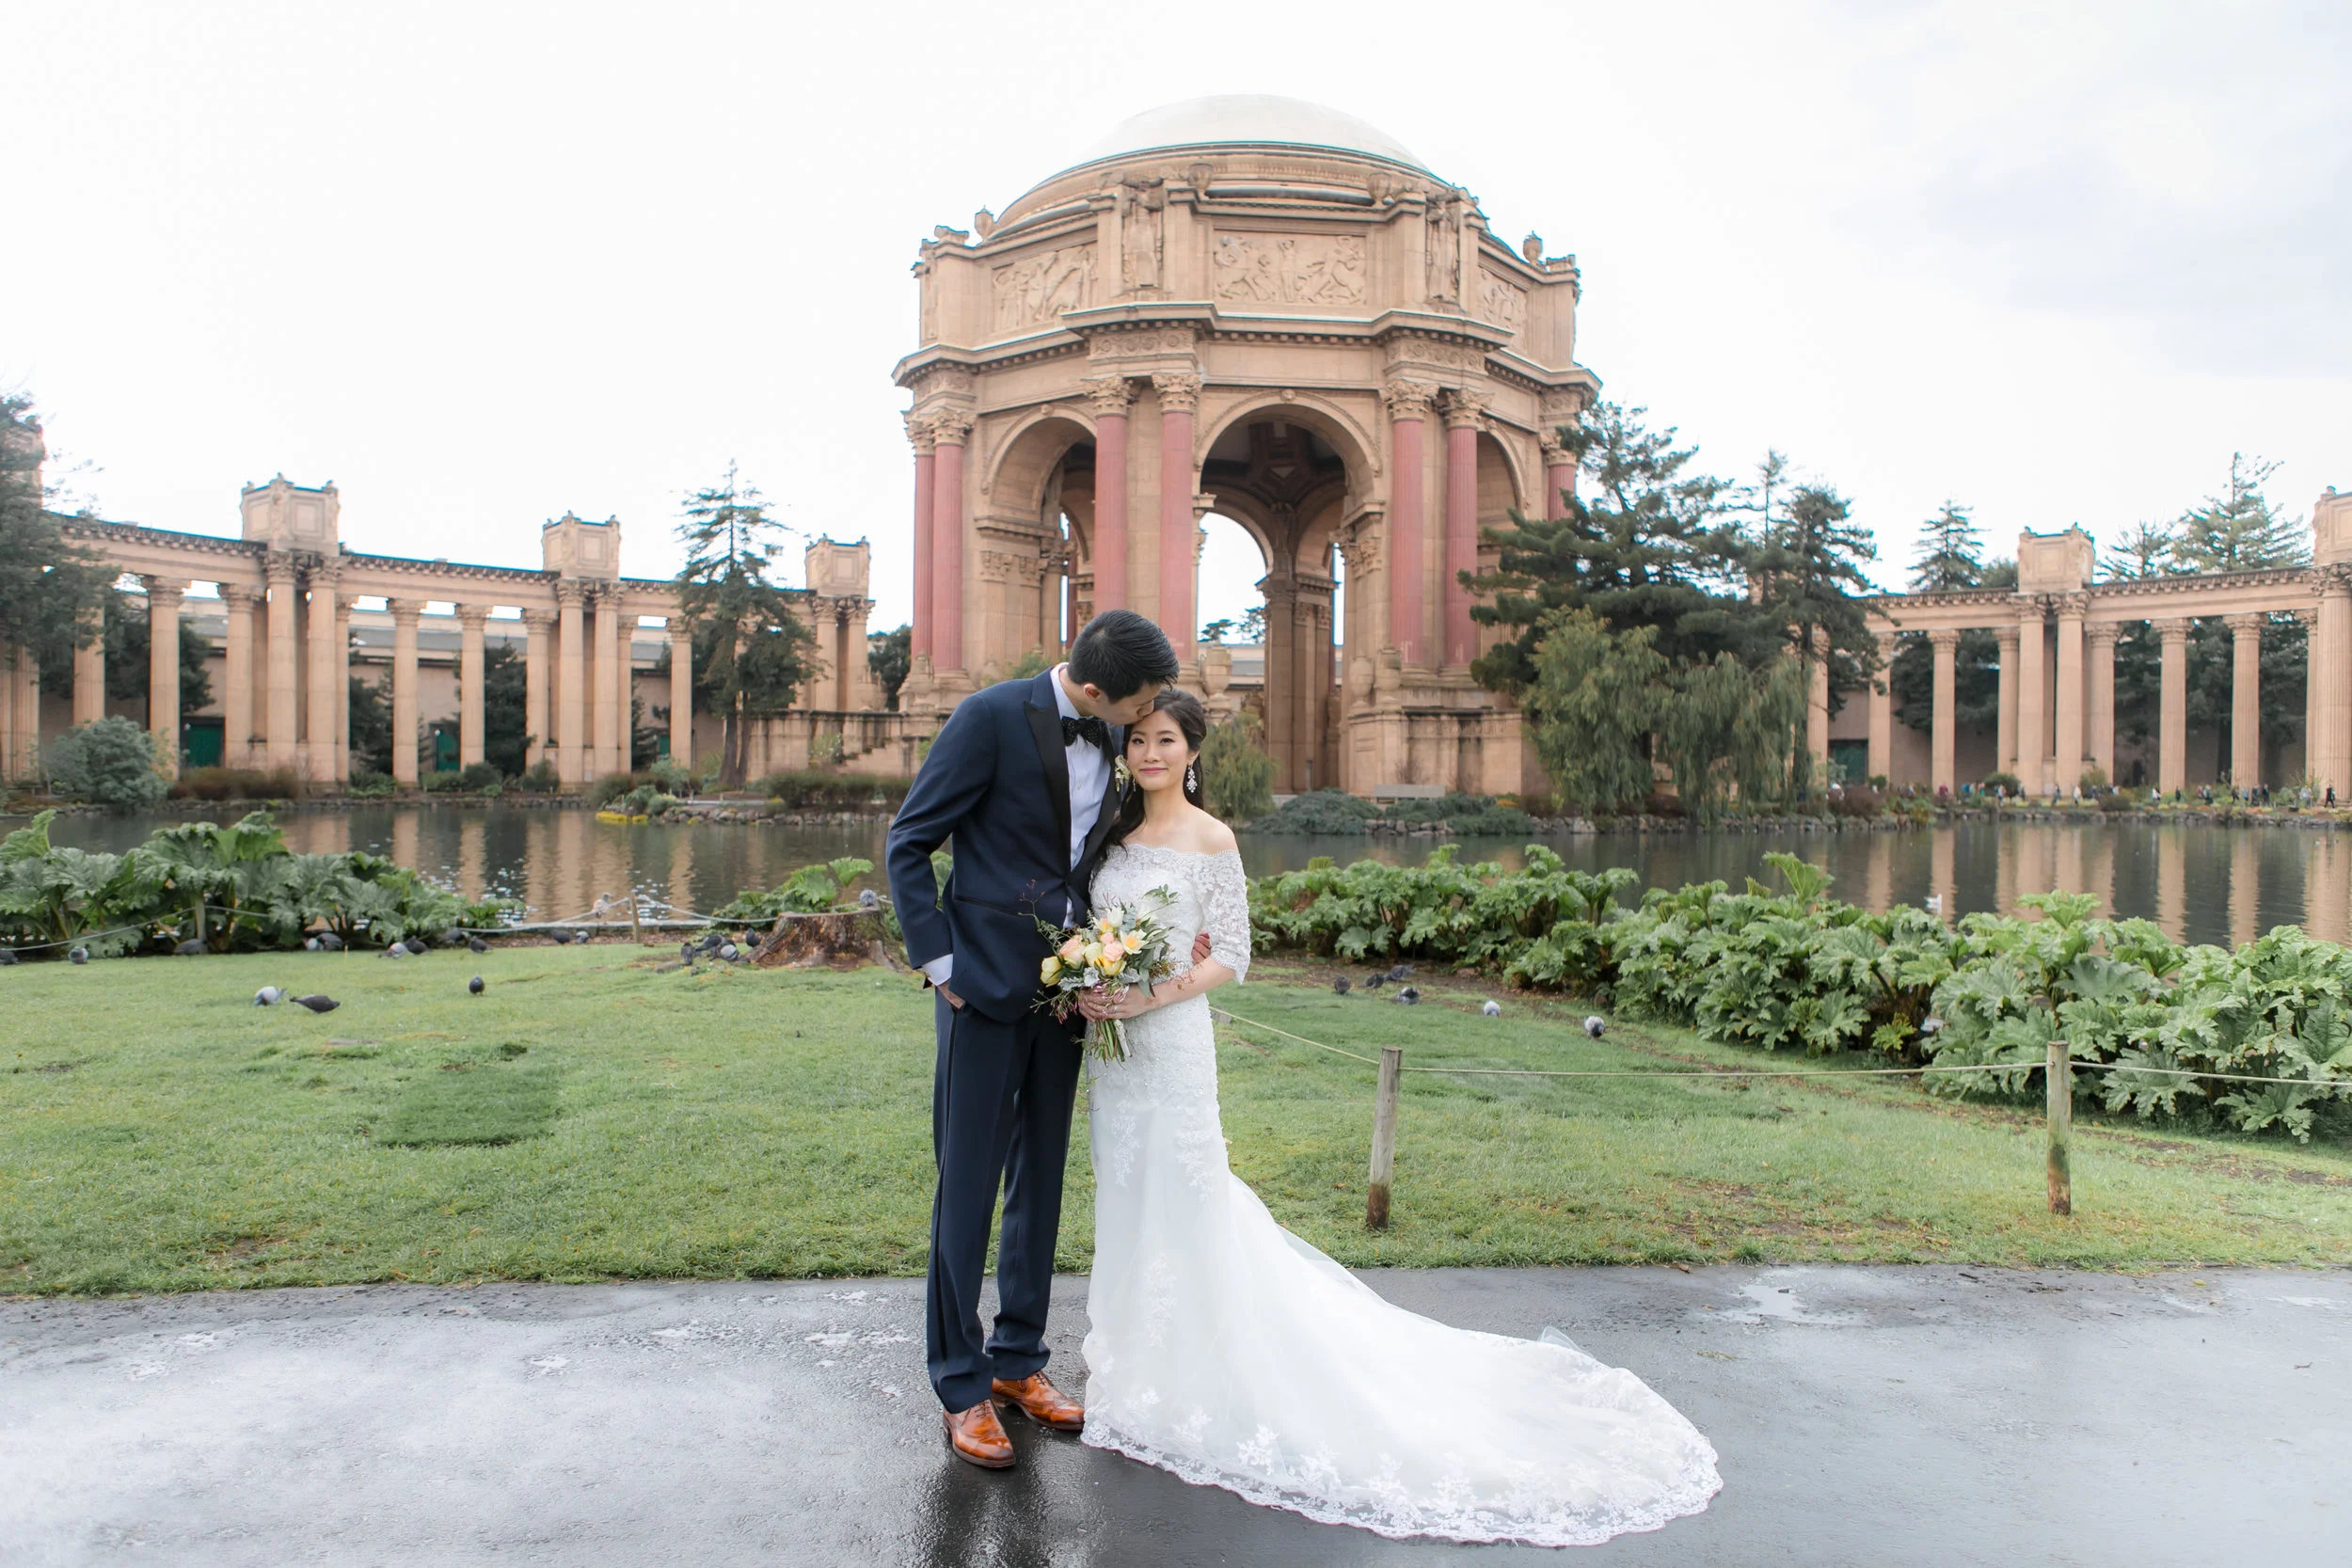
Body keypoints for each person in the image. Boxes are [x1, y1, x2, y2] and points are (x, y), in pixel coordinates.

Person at [1072, 688, 1721, 1546]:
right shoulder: (1109, 838)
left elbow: (1232, 953)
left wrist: (1144, 994)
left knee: (1189, 1193)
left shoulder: (1213, 837)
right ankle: (1137, 1371)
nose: (1149, 754)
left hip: (1173, 1042)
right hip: (1115, 1061)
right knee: (1128, 1189)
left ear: (1193, 750)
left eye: (1165, 740)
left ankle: (1207, 1373)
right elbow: (1097, 925)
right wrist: (1085, 979)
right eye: (1137, 742)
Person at [885, 609, 1182, 1469]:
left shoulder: (1117, 741)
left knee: (1040, 1181)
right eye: (1143, 700)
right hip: (977, 988)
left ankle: (1019, 1364)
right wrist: (941, 966)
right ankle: (960, 1382)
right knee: (967, 1186)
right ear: (1096, 689)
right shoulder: (987, 717)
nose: (1150, 713)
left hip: (1067, 995)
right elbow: (910, 840)